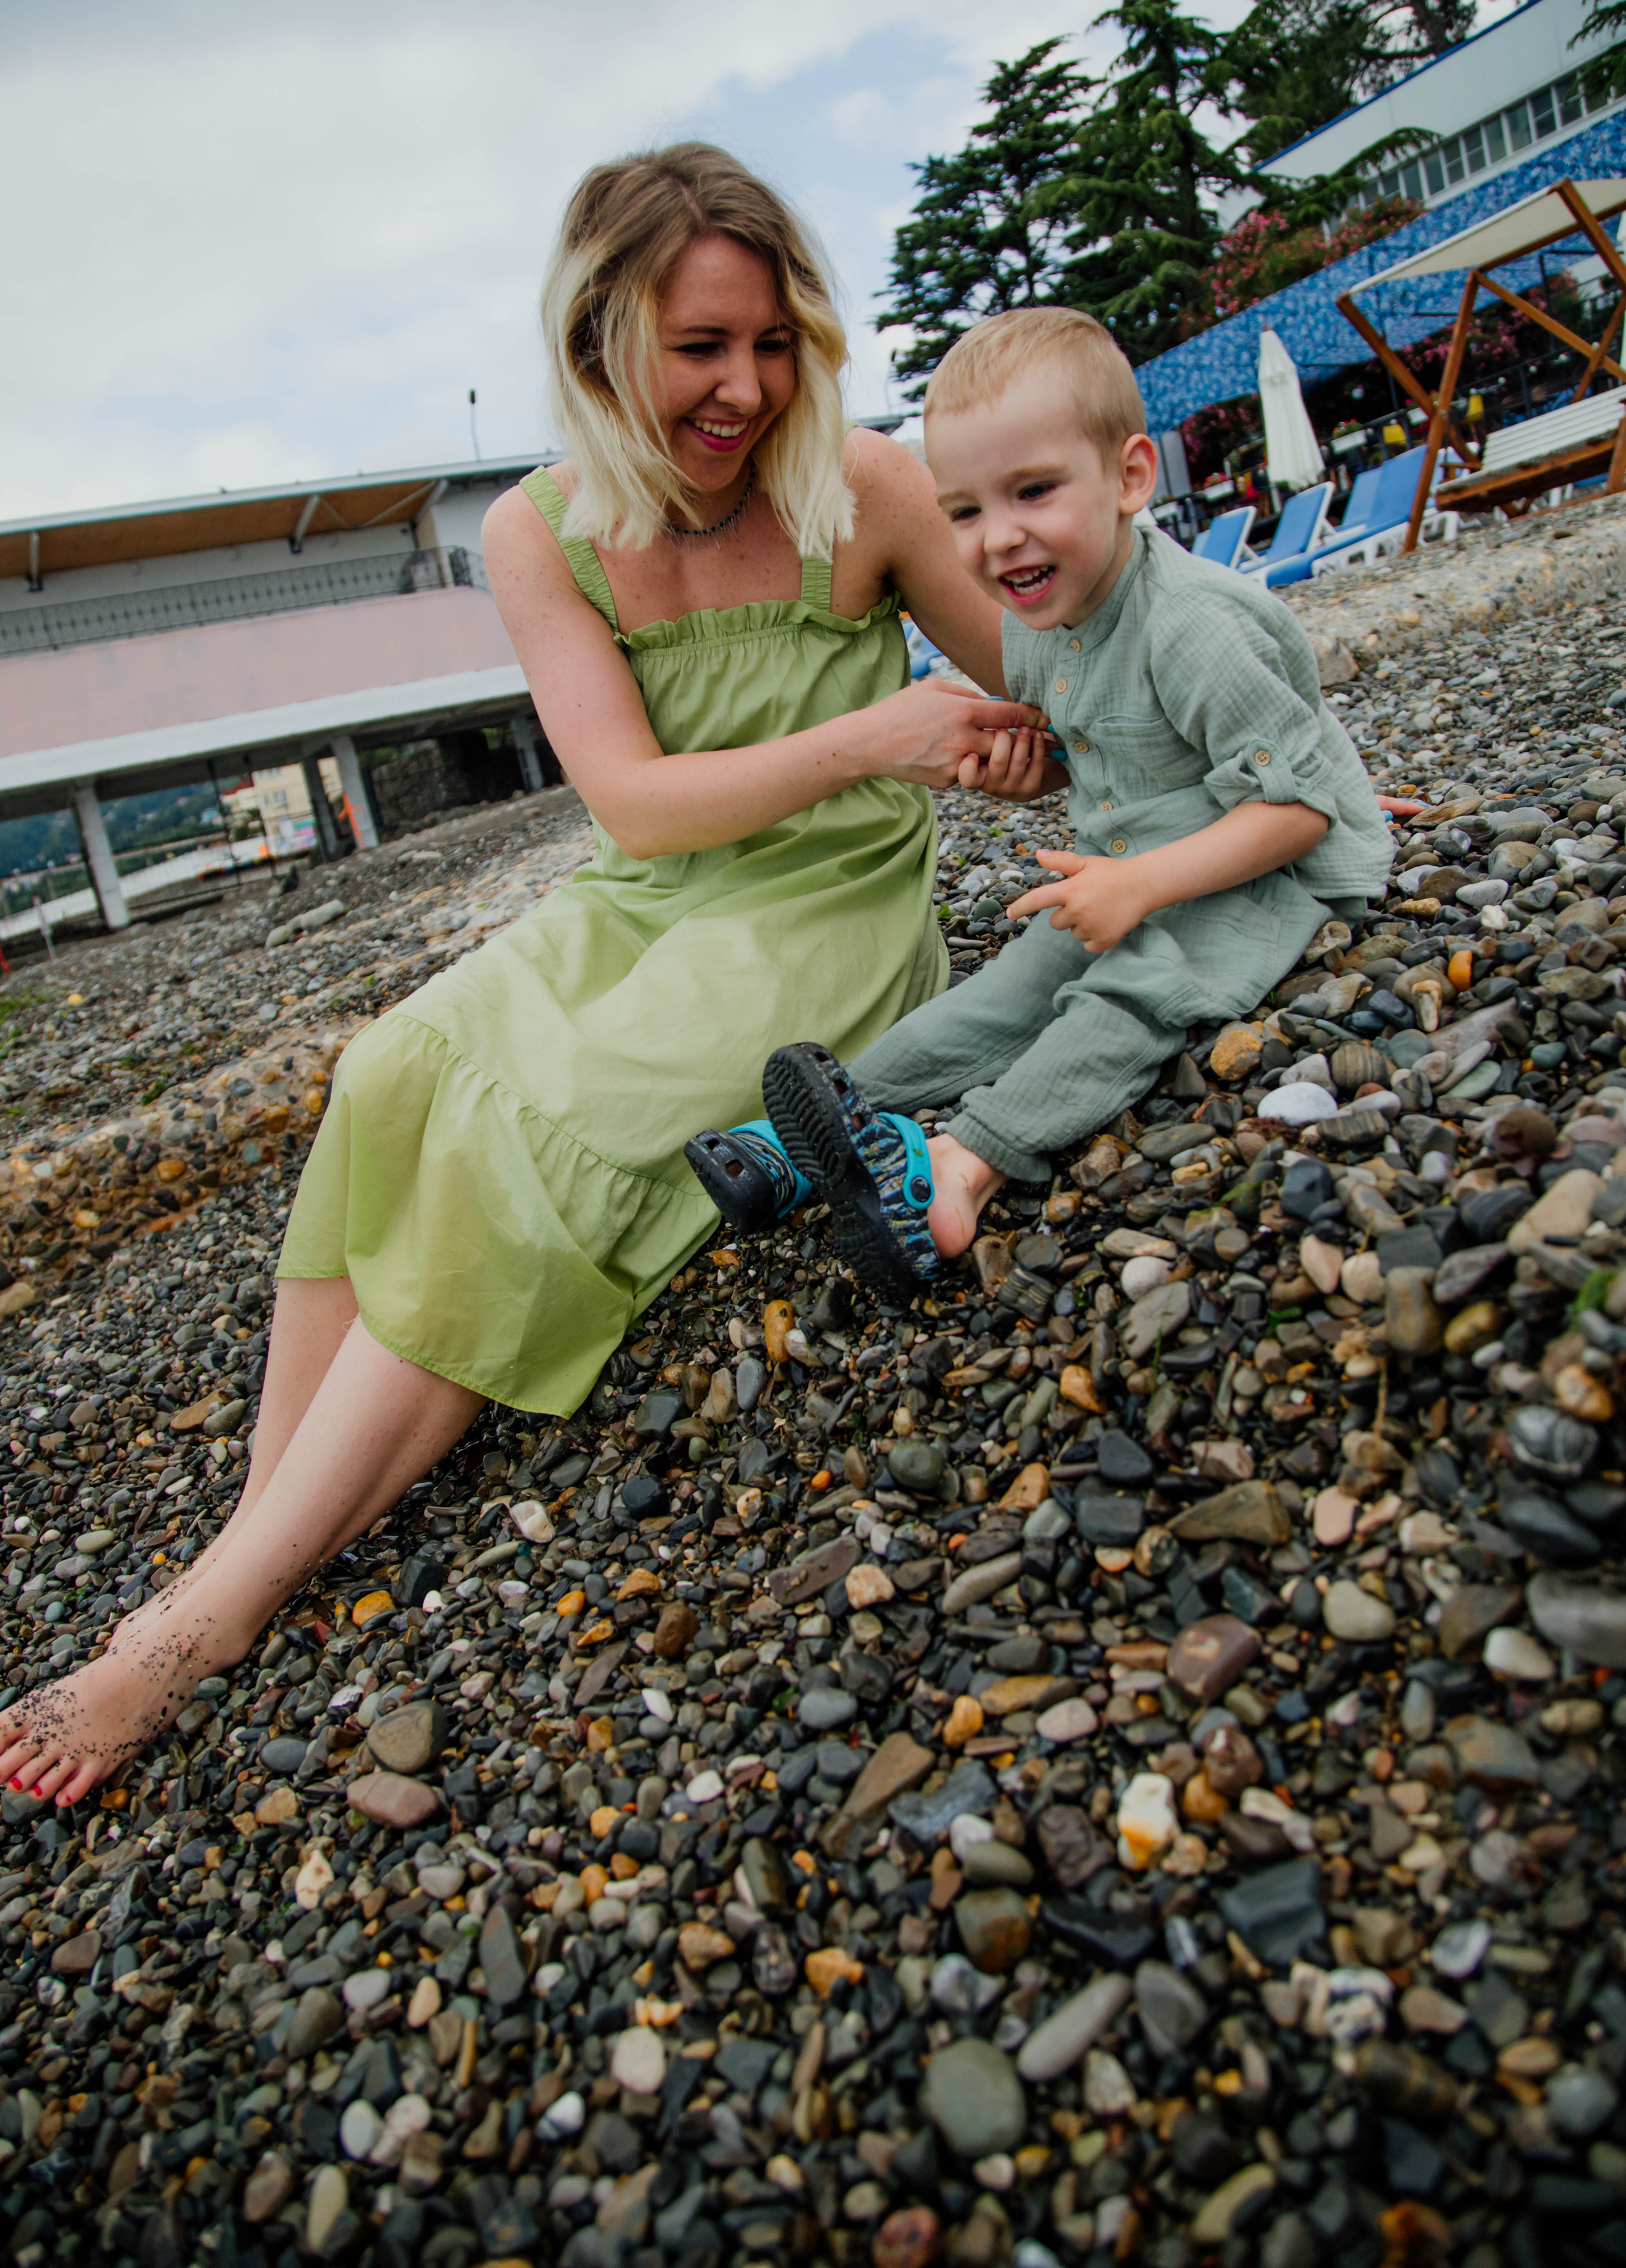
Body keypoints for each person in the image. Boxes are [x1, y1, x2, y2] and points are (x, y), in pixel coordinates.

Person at [0, 144, 1038, 1808]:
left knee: (533, 1140)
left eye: (771, 342)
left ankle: (194, 1625)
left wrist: (1150, 776)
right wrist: (880, 729)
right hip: (649, 892)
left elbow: (1057, 686)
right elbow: (631, 802)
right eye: (702, 347)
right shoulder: (533, 528)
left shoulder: (866, 482)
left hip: (828, 909)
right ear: (597, 343)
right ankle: (267, 1529)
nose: (746, 385)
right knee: (388, 1076)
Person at [689, 306, 1393, 1298]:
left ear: (1130, 478)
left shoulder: (1192, 627)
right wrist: (1044, 773)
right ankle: (819, 1131)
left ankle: (956, 1172)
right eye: (965, 511)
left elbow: (1300, 810)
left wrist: (1144, 883)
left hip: (1260, 869)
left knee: (1127, 1000)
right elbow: (1113, 751)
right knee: (1005, 992)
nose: (999, 538)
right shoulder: (1036, 627)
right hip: (1130, 868)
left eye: (1034, 492)